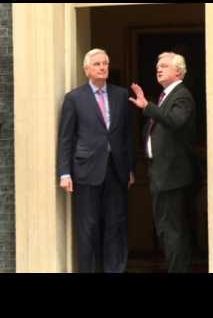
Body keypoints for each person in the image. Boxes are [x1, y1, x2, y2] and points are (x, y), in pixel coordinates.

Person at [57, 48, 135, 273]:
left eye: (105, 63)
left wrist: (130, 167)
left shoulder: (121, 95)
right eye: (98, 64)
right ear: (87, 70)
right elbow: (66, 137)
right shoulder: (74, 98)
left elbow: (127, 135)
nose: (103, 67)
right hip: (86, 170)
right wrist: (64, 172)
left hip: (116, 170)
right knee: (88, 227)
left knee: (115, 225)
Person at [129, 52, 196, 273]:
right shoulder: (166, 96)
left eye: (165, 66)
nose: (159, 69)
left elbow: (176, 121)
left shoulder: (181, 95)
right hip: (161, 173)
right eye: (158, 66)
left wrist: (147, 107)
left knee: (173, 231)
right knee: (166, 230)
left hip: (172, 177)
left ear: (178, 71)